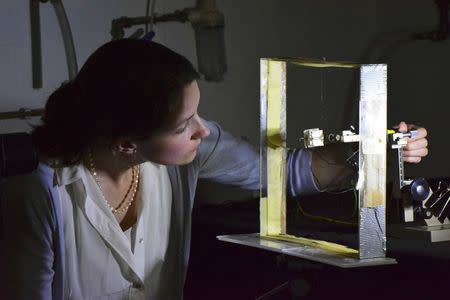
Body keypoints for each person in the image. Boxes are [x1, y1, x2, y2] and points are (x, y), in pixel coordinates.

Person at [0, 39, 428, 299]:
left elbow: (285, 171)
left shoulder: (190, 152)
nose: (204, 130)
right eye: (185, 124)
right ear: (127, 142)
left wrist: (375, 148)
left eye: (198, 113)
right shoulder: (38, 196)